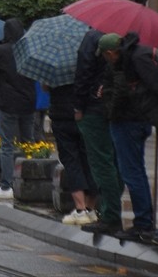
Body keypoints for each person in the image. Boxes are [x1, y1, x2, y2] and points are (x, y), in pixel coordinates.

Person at [98, 32, 158, 244]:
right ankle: (145, 221)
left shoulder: (127, 63)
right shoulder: (135, 57)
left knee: (132, 172)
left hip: (128, 122)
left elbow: (122, 94)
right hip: (142, 120)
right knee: (137, 171)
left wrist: (109, 112)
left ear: (110, 53)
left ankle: (143, 223)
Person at [73, 28, 125, 236]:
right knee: (115, 161)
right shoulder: (124, 40)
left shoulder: (92, 38)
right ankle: (111, 209)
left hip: (94, 109)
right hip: (115, 110)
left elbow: (83, 73)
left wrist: (78, 106)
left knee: (101, 163)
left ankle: (111, 214)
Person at [0, 18, 36, 201]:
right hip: (28, 101)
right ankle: (31, 180)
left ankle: (6, 185)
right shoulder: (29, 49)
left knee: (7, 145)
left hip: (8, 102)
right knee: (29, 141)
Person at [47, 82, 98, 225]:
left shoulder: (56, 63)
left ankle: (80, 209)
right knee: (88, 159)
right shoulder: (86, 63)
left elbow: (46, 86)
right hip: (85, 114)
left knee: (71, 162)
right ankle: (90, 208)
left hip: (62, 115)